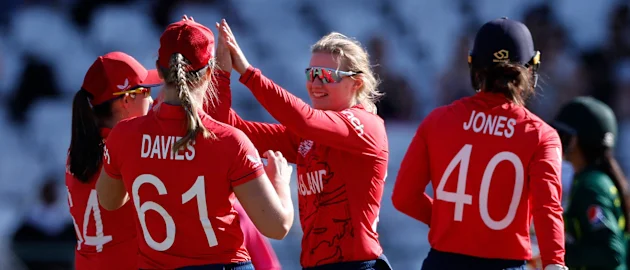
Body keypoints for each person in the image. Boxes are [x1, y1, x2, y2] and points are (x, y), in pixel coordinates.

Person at [95, 19, 294, 270]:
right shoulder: (231, 141)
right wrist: (280, 182)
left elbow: (109, 201)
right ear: (209, 73)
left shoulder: (124, 135)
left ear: (159, 69)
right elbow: (278, 227)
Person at [391, 17, 568, 270]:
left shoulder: (437, 121)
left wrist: (451, 222)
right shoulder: (541, 135)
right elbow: (547, 208)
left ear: (474, 69)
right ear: (530, 70)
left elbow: (404, 198)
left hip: (443, 262)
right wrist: (554, 263)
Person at [215, 20, 391, 270]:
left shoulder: (366, 125)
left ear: (356, 83)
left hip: (358, 265)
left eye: (327, 76)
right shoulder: (307, 136)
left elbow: (304, 119)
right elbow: (231, 129)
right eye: (311, 74)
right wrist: (218, 75)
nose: (316, 84)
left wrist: (248, 73)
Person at [65, 51, 162, 270]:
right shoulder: (128, 147)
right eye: (146, 91)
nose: (152, 99)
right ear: (127, 99)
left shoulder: (79, 148)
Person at [554, 96, 629, 270]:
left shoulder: (592, 185)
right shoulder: (593, 179)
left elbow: (611, 253)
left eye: (561, 133)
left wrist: (558, 253)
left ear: (574, 140)